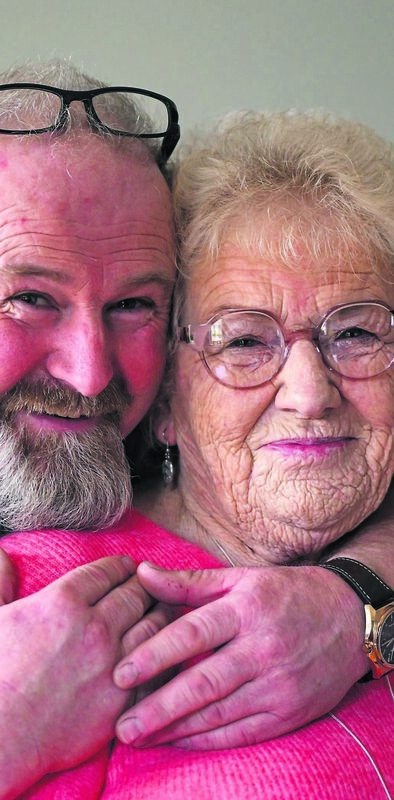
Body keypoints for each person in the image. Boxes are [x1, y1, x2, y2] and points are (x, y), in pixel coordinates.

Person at [0, 63, 393, 798]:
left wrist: (360, 603)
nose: (310, 393)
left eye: (358, 333)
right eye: (243, 340)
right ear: (171, 403)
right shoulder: (49, 610)